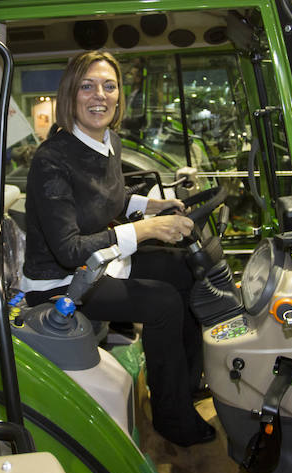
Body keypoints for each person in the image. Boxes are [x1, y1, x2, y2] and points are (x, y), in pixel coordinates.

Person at [22, 50, 215, 447]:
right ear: (70, 95)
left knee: (185, 271)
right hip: (62, 282)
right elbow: (70, 251)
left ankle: (184, 382)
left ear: (119, 95)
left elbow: (107, 197)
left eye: (109, 86)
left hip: (100, 263)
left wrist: (149, 206)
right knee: (162, 303)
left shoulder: (108, 140)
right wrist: (146, 229)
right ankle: (172, 418)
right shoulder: (52, 159)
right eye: (87, 86)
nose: (100, 95)